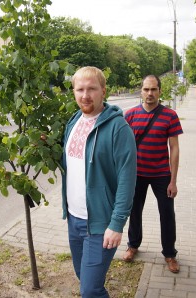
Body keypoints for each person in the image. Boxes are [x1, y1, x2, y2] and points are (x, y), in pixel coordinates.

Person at [61, 66, 137, 297]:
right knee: (83, 277)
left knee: (90, 290)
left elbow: (127, 179)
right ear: (73, 92)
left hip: (100, 223)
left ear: (103, 91)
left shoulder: (118, 128)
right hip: (74, 219)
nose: (85, 95)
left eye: (92, 89)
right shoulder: (73, 122)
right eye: (80, 89)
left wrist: (117, 224)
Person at [122, 75, 183, 274]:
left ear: (160, 91)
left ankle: (170, 253)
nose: (150, 93)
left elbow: (174, 148)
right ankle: (133, 246)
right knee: (134, 212)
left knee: (167, 214)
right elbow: (123, 147)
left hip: (161, 175)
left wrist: (173, 180)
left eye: (153, 89)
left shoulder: (170, 116)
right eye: (146, 89)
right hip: (136, 175)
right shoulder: (129, 115)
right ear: (141, 91)